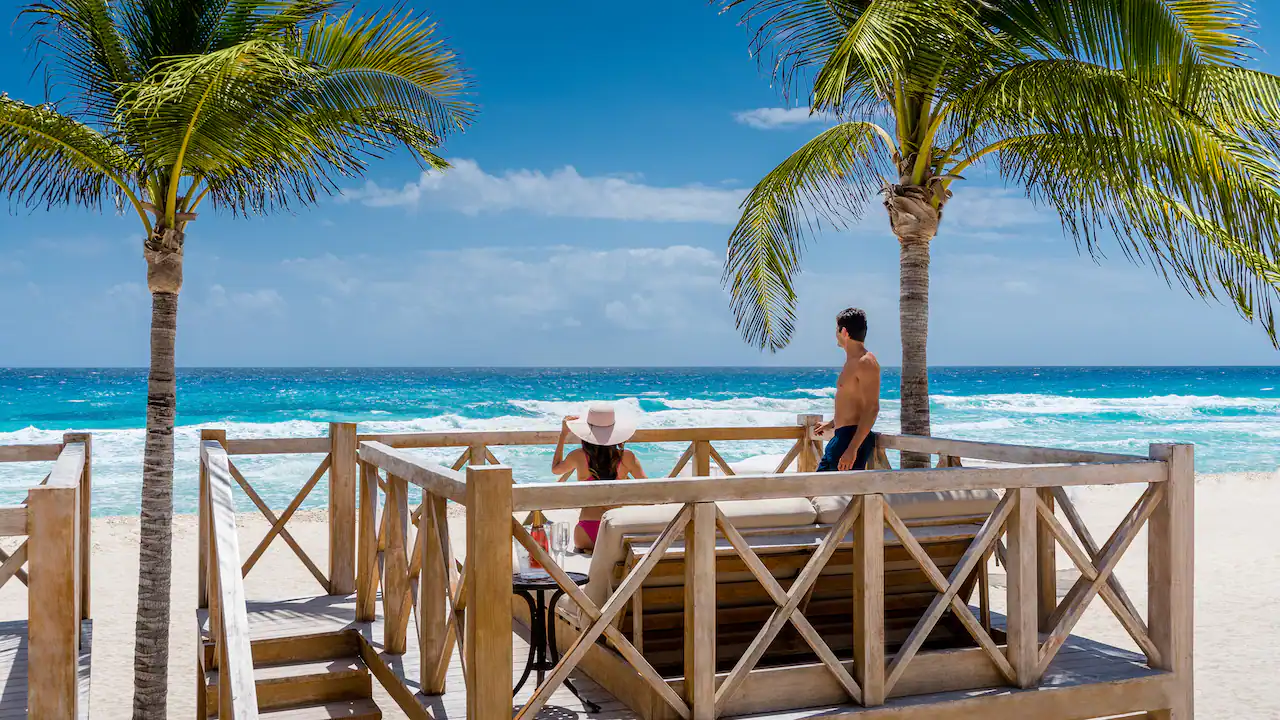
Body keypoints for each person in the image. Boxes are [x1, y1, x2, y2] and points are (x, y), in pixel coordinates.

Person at [552, 402, 646, 551]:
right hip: (617, 528)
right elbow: (649, 488)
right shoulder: (627, 457)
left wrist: (563, 435)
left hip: (586, 532)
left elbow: (556, 469)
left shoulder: (578, 456)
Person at [816, 307, 881, 471]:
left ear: (844, 331)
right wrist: (832, 423)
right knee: (820, 490)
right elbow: (853, 401)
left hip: (849, 440)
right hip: (841, 437)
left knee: (825, 492)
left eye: (836, 330)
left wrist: (852, 449)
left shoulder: (865, 362)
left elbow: (872, 408)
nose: (835, 334)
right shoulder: (852, 361)